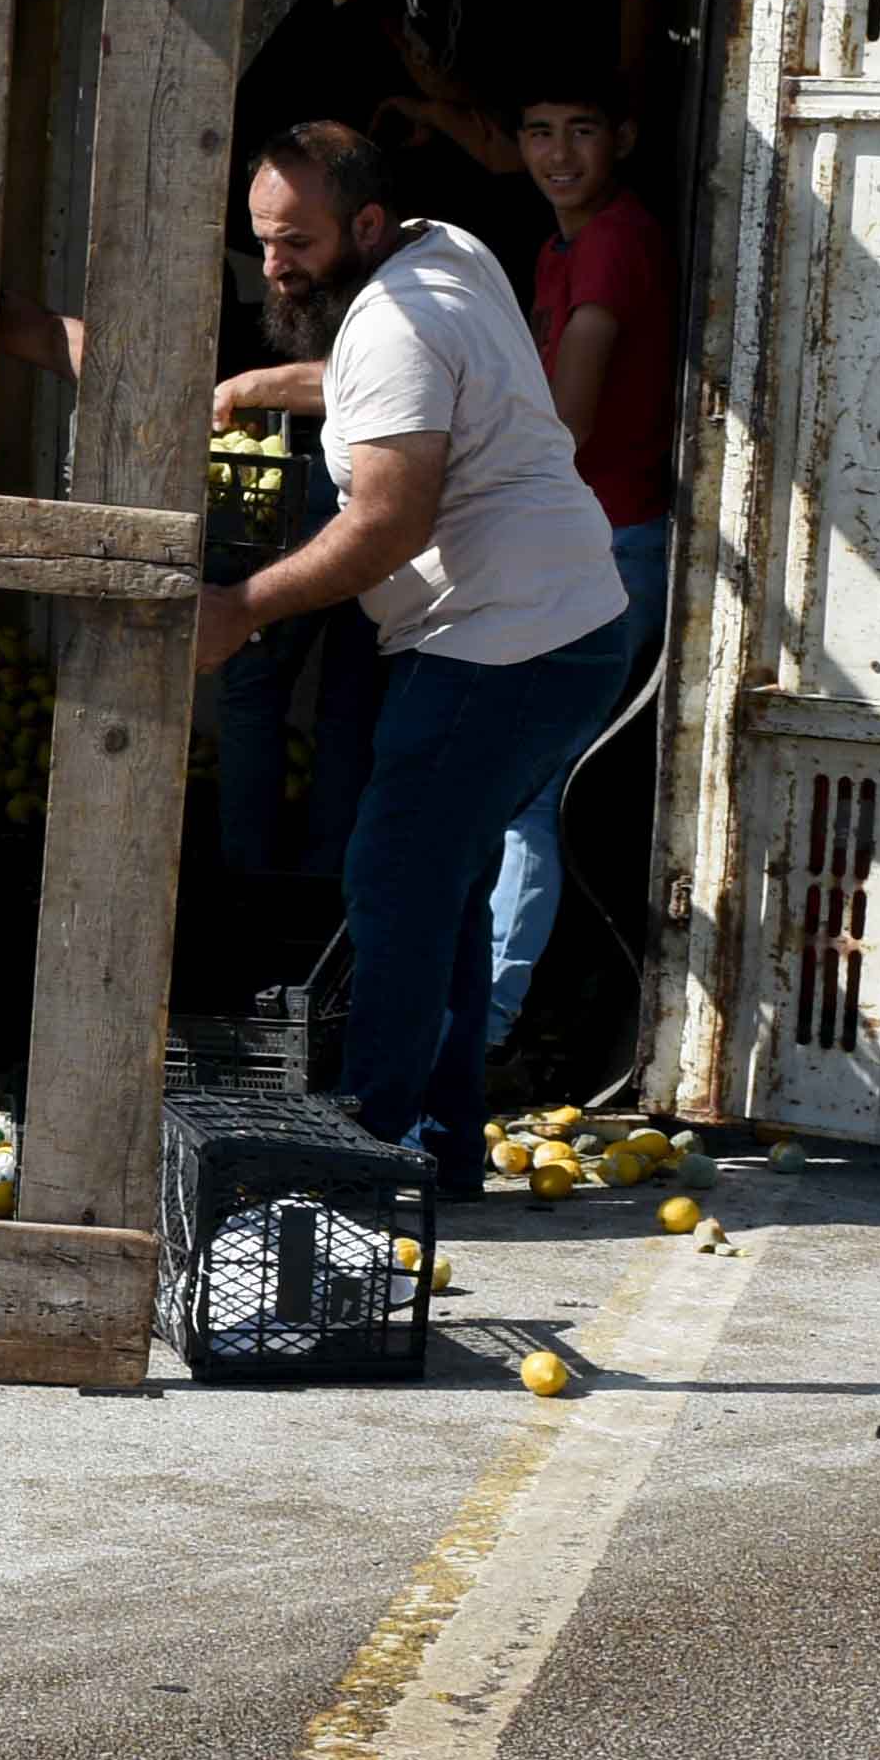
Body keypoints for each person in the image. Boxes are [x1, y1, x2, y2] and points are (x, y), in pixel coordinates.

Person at [193, 123, 638, 1191]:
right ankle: (438, 1140)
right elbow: (376, 388)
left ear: (367, 225)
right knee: (444, 877)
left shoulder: (395, 319)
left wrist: (240, 607)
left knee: (393, 876)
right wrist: (263, 386)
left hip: (503, 641)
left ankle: (369, 1140)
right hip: (555, 624)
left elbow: (387, 522)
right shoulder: (445, 249)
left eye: (295, 240)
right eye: (262, 239)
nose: (275, 264)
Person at [480, 79, 678, 1048]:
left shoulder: (611, 242)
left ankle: (483, 1023)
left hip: (609, 548)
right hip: (578, 544)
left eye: (583, 129)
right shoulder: (561, 242)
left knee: (524, 794)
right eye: (538, 130)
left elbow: (566, 418)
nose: (557, 154)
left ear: (625, 135)